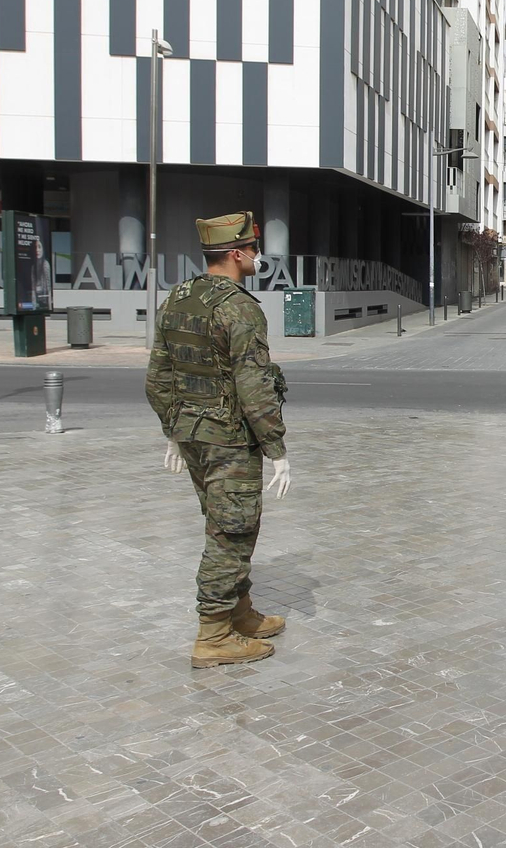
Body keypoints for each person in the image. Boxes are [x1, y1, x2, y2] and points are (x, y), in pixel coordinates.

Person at [145, 212, 292, 669]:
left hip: (192, 435)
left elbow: (158, 376)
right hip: (228, 441)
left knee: (224, 522)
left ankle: (240, 614)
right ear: (236, 253)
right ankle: (212, 635)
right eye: (251, 249)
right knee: (231, 533)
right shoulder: (240, 308)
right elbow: (254, 385)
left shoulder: (178, 298)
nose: (256, 257)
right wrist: (276, 449)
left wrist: (173, 430)